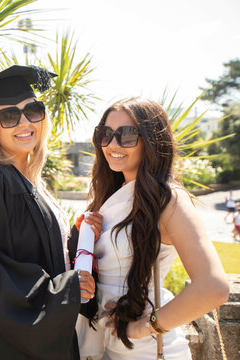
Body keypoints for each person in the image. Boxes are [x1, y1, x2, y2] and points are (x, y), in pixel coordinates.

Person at [0, 65, 102, 360]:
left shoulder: (32, 181)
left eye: (33, 110)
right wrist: (63, 290)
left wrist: (76, 235)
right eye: (9, 116)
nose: (24, 122)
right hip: (7, 345)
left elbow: (38, 250)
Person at [77, 97, 229, 359]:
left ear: (151, 140)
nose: (113, 144)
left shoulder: (168, 199)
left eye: (127, 134)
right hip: (110, 348)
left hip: (147, 350)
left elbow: (213, 287)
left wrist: (147, 327)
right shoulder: (112, 196)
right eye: (106, 134)